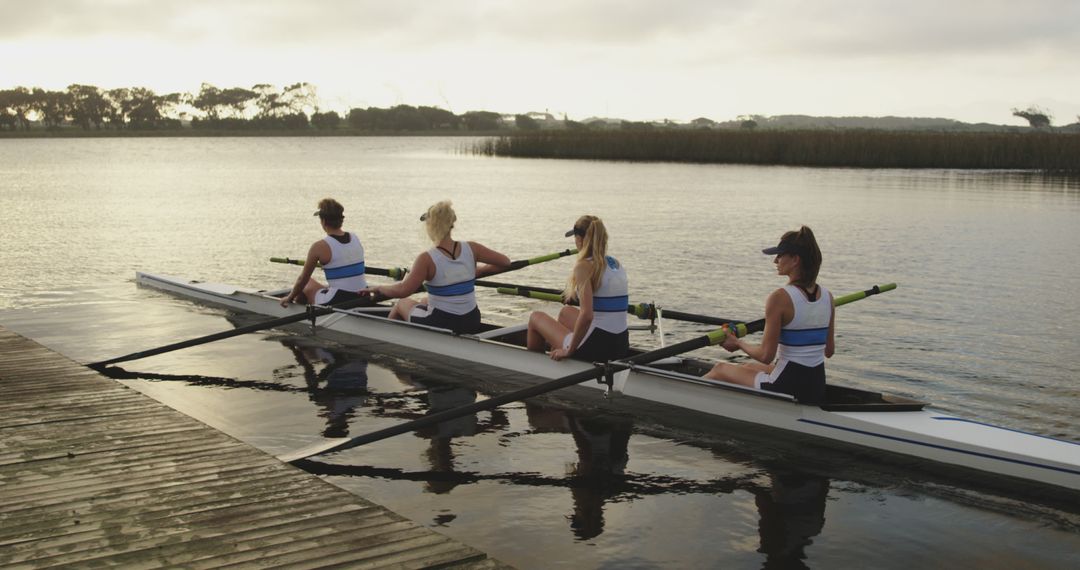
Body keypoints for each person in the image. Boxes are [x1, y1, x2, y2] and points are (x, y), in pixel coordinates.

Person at [705, 225, 834, 405]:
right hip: (816, 385)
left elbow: (766, 355)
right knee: (748, 367)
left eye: (780, 255)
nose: (776, 260)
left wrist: (737, 342)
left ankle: (686, 402)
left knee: (720, 369)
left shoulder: (779, 297)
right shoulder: (827, 296)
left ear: (795, 259)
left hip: (786, 387)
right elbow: (829, 351)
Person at [363, 200, 510, 334]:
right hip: (472, 319)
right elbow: (505, 262)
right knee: (424, 301)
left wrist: (380, 288)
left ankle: (388, 340)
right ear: (451, 224)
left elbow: (403, 290)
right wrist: (474, 272)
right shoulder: (472, 248)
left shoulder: (427, 258)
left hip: (443, 323)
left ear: (431, 226)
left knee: (402, 304)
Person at [526, 215, 629, 362]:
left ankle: (535, 367)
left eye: (575, 237)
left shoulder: (583, 266)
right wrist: (575, 294)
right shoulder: (615, 264)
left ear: (580, 239)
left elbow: (587, 315)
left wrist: (569, 351)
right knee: (566, 312)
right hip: (621, 343)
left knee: (535, 318)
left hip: (598, 347)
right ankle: (559, 349)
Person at [281, 198, 369, 308]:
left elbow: (302, 279)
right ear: (341, 220)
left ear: (323, 221)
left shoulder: (319, 247)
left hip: (340, 300)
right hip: (364, 295)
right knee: (320, 286)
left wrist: (289, 297)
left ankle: (295, 310)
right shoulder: (355, 237)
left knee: (306, 284)